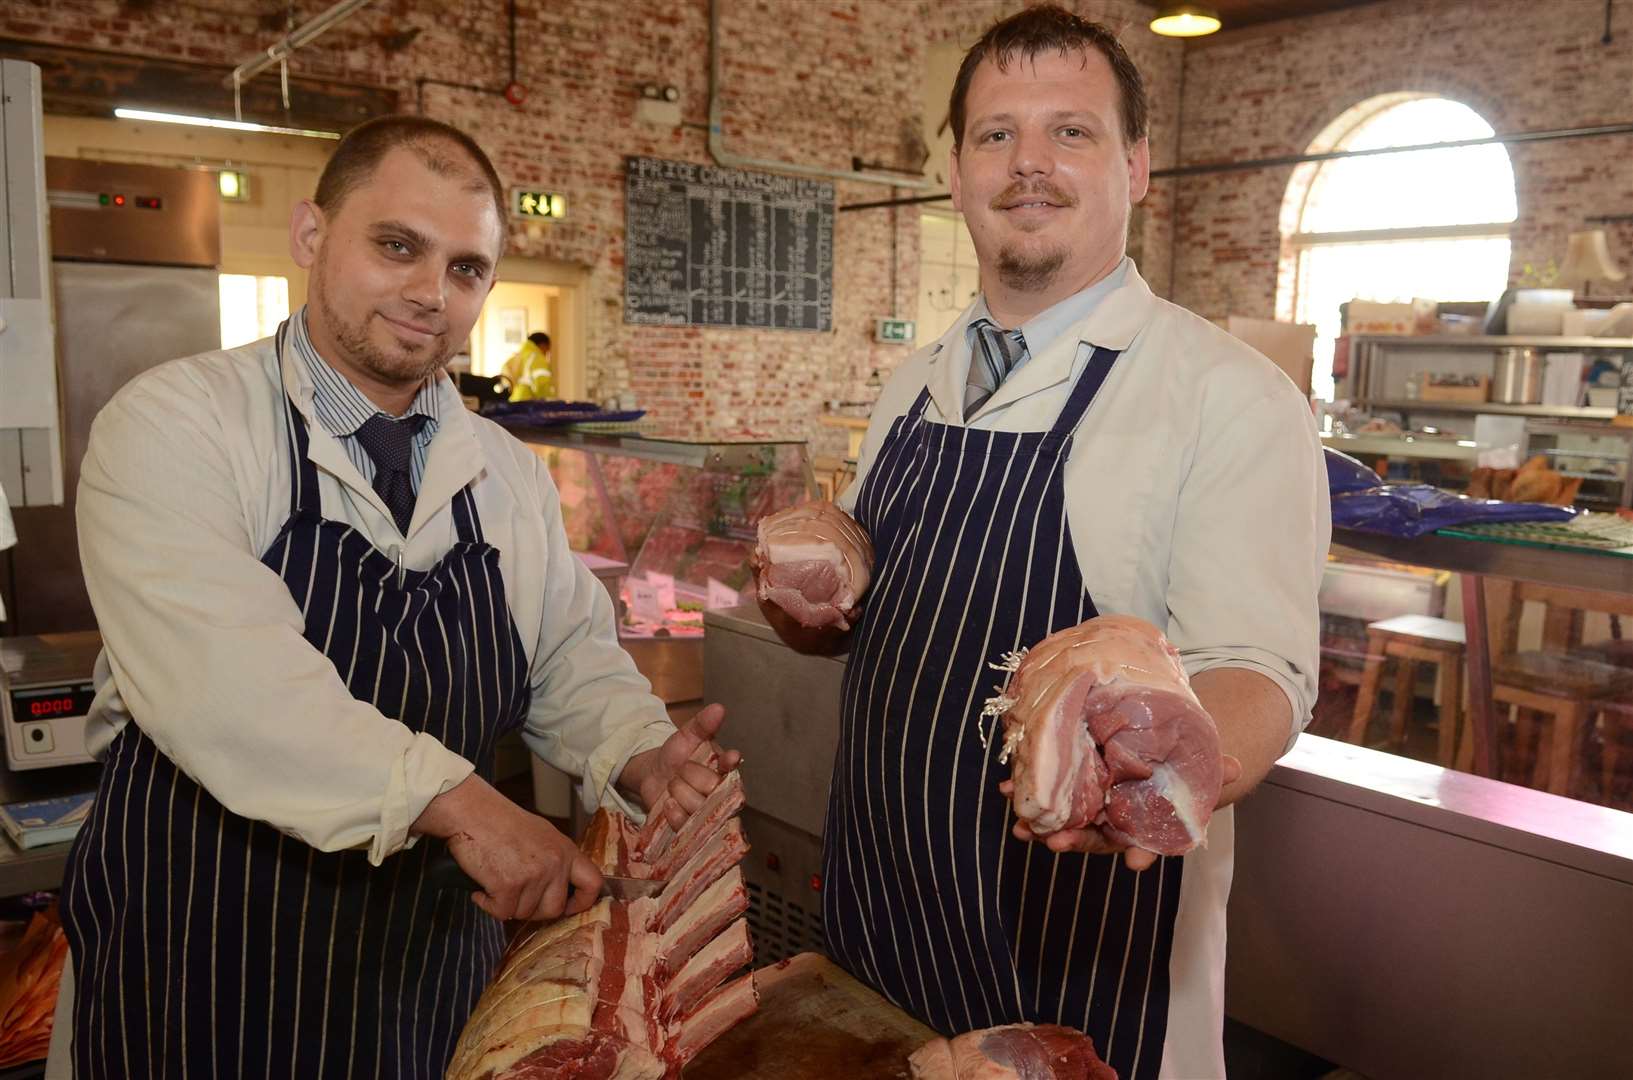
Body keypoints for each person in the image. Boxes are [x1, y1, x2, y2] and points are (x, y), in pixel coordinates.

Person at [52, 115, 738, 1079]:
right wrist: (462, 806)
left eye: (466, 269)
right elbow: (230, 685)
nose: (431, 294)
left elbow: (565, 658)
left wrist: (636, 747)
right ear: (308, 236)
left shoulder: (504, 470)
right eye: (396, 246)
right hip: (204, 958)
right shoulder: (179, 424)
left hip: (427, 963)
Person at [796, 8, 1327, 1078]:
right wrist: (809, 599)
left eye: (1069, 133)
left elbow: (1257, 671)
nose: (1027, 163)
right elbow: (875, 620)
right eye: (995, 135)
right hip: (878, 925)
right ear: (954, 170)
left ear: (1135, 165)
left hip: (1084, 968)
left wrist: (1173, 774)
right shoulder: (916, 379)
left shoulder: (1226, 396)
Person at [501, 330, 556, 401]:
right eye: (547, 350)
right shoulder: (537, 357)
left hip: (513, 401)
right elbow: (542, 384)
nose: (546, 354)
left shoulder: (516, 357)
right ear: (543, 345)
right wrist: (550, 402)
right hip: (529, 403)